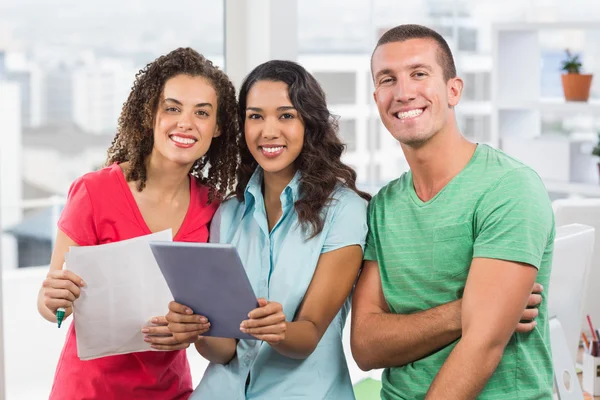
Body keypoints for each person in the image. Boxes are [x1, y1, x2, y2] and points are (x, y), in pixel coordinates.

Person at [350, 24, 555, 399]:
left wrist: (487, 318)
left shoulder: (509, 187)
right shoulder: (383, 207)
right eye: (387, 79)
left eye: (419, 74)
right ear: (377, 97)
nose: (403, 92)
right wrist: (473, 309)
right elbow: (365, 347)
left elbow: (483, 346)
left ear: (453, 89)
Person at [37, 47, 240, 399]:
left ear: (217, 127)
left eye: (202, 112)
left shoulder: (214, 209)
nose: (185, 123)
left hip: (170, 392)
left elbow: (219, 339)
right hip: (87, 392)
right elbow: (53, 307)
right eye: (172, 108)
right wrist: (53, 299)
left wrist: (194, 331)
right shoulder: (94, 192)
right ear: (150, 114)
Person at [163, 60, 371, 399]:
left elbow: (310, 334)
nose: (268, 131)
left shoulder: (344, 211)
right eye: (255, 116)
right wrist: (197, 328)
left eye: (286, 115)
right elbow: (224, 350)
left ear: (310, 123)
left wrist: (279, 330)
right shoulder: (229, 214)